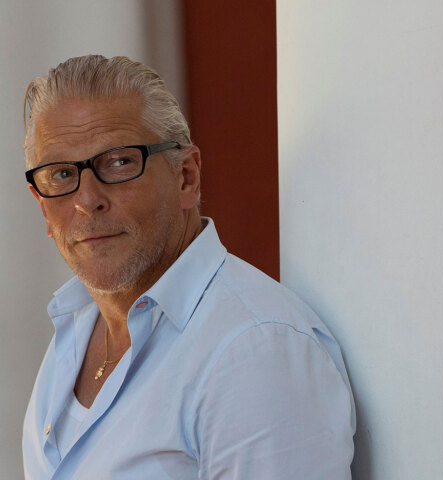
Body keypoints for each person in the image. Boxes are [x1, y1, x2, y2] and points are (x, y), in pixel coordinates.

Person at [22, 55, 355, 479]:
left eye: (119, 162)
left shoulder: (256, 350)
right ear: (42, 207)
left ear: (186, 177)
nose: (87, 201)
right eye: (61, 174)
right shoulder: (76, 326)